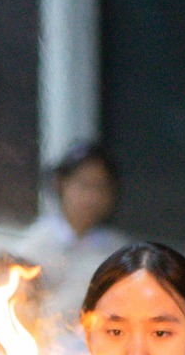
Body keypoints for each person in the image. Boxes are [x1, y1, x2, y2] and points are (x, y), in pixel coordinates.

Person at [14, 141, 129, 343]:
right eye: (84, 185)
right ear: (62, 184)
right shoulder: (37, 242)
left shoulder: (119, 253)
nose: (91, 197)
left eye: (101, 188)